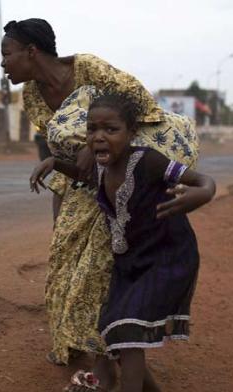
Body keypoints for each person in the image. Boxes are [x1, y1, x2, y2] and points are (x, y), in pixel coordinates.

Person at [2, 18, 200, 390]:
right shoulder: (30, 95)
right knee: (62, 260)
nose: (3, 64)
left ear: (31, 52)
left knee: (98, 270)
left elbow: (142, 106)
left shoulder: (87, 68)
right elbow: (58, 145)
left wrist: (105, 147)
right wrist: (67, 186)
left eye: (6, 55)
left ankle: (109, 363)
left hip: (121, 168)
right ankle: (77, 345)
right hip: (80, 175)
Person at [31, 91, 215, 391]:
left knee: (128, 334)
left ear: (131, 133)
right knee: (114, 332)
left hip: (165, 258)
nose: (99, 137)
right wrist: (53, 162)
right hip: (129, 263)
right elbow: (80, 172)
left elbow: (201, 180)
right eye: (92, 129)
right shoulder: (102, 168)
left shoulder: (148, 162)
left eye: (111, 130)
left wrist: (204, 192)